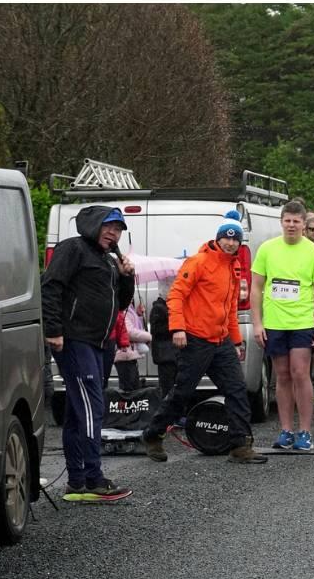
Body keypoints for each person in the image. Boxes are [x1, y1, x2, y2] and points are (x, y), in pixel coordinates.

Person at [142, 211, 267, 464]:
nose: (230, 243)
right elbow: (176, 295)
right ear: (218, 239)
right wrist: (178, 328)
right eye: (226, 238)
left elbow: (230, 308)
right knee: (182, 392)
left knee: (237, 390)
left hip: (221, 341)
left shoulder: (235, 267)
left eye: (235, 239)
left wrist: (236, 341)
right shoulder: (198, 262)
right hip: (195, 339)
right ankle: (153, 433)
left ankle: (240, 445)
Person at [42, 205, 135, 497]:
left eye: (118, 230)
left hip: (101, 343)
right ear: (93, 225)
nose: (113, 233)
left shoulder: (108, 260)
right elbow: (50, 287)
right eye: (108, 227)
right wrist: (53, 330)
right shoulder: (73, 249)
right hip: (75, 340)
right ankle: (94, 478)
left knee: (77, 411)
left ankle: (77, 481)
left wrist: (127, 276)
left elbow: (121, 304)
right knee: (93, 407)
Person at [251, 201, 314, 451]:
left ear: (304, 224)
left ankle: (305, 432)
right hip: (274, 322)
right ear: (281, 222)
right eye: (288, 221)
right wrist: (257, 323)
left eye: (296, 221)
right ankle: (286, 430)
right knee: (282, 375)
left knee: (300, 373)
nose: (291, 225)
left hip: (302, 322)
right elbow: (256, 288)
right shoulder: (267, 249)